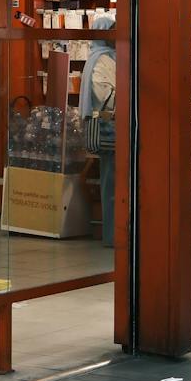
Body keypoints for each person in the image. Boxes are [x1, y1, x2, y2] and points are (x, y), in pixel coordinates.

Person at [81, 14, 119, 247]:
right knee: (112, 182)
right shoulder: (100, 59)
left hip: (115, 127)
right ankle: (113, 235)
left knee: (114, 181)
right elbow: (105, 94)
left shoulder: (108, 57)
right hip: (110, 128)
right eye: (112, 31)